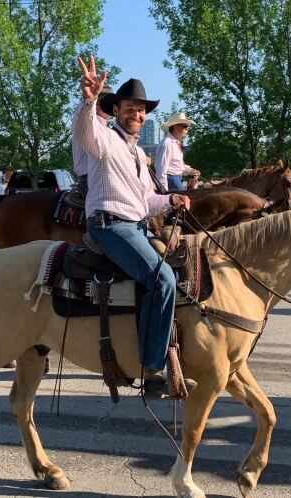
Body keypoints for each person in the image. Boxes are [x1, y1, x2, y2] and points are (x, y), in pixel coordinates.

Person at [74, 55, 196, 399]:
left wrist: (171, 200)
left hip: (134, 224)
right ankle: (153, 367)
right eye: (130, 108)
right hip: (109, 226)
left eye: (142, 111)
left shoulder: (138, 155)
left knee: (179, 268)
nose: (136, 115)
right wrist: (88, 99)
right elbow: (85, 132)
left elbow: (145, 202)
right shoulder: (104, 139)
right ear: (117, 110)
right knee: (162, 279)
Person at [72, 85, 114, 193]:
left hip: (89, 177)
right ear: (97, 105)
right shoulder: (94, 123)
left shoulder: (94, 122)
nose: (113, 109)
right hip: (93, 179)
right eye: (109, 105)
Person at [154, 112, 201, 192]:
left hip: (175, 179)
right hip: (172, 180)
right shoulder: (167, 144)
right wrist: (164, 191)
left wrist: (189, 170)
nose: (187, 129)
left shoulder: (174, 143)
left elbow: (176, 165)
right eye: (185, 126)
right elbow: (161, 169)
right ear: (176, 127)